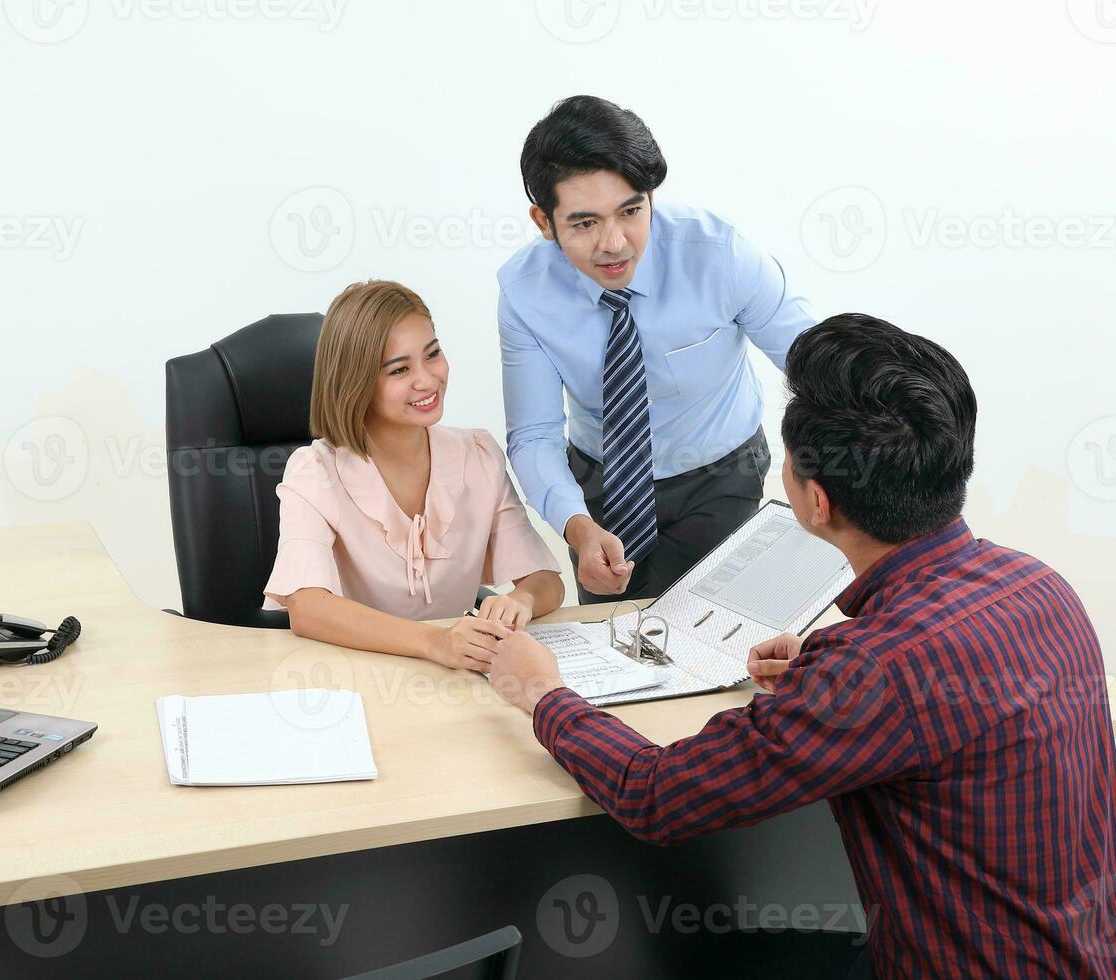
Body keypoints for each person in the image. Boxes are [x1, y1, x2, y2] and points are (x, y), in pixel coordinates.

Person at [487, 313, 1116, 977]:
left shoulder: (877, 668)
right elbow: (936, 690)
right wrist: (823, 671)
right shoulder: (1040, 585)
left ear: (816, 502)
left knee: (694, 961)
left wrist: (541, 691)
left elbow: (657, 795)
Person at [499, 95, 815, 602]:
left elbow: (816, 367)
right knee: (614, 644)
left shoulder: (720, 255)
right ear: (543, 221)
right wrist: (576, 527)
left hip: (720, 473)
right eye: (584, 223)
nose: (615, 243)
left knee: (711, 639)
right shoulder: (524, 292)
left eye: (630, 211)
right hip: (602, 485)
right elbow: (534, 433)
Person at [262, 280, 565, 669]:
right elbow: (307, 607)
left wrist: (519, 601)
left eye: (432, 354)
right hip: (340, 678)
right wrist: (437, 643)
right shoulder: (314, 471)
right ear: (356, 383)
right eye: (400, 369)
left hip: (446, 679)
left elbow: (546, 581)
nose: (427, 380)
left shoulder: (479, 455)